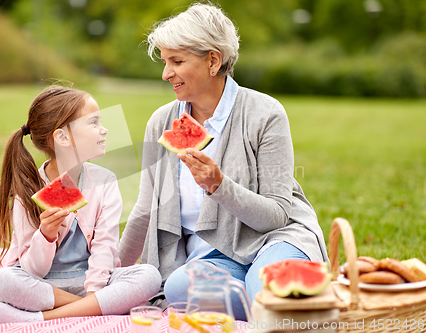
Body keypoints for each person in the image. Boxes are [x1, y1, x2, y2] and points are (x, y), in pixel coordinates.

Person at [118, 3, 329, 321]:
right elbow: (145, 209)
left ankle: (269, 298)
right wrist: (109, 273)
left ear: (213, 61)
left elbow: (275, 217)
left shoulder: (264, 113)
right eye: (165, 62)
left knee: (265, 286)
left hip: (273, 240)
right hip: (213, 257)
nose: (165, 74)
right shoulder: (162, 121)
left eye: (177, 61)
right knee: (177, 288)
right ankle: (278, 307)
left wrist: (219, 186)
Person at [0, 85, 161, 324]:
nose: (104, 130)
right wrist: (46, 235)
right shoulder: (27, 190)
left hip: (90, 280)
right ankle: (93, 307)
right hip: (43, 284)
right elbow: (32, 270)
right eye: (94, 122)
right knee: (2, 280)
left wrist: (94, 291)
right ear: (63, 137)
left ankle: (38, 318)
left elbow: (105, 246)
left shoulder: (105, 180)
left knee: (149, 276)